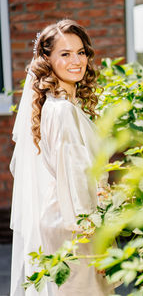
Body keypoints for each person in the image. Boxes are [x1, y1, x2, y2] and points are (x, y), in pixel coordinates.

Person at [9, 19, 114, 296]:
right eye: (65, 54)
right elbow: (75, 181)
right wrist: (94, 239)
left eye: (80, 52)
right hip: (76, 227)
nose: (76, 61)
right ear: (47, 59)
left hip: (63, 218)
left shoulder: (58, 105)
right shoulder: (62, 111)